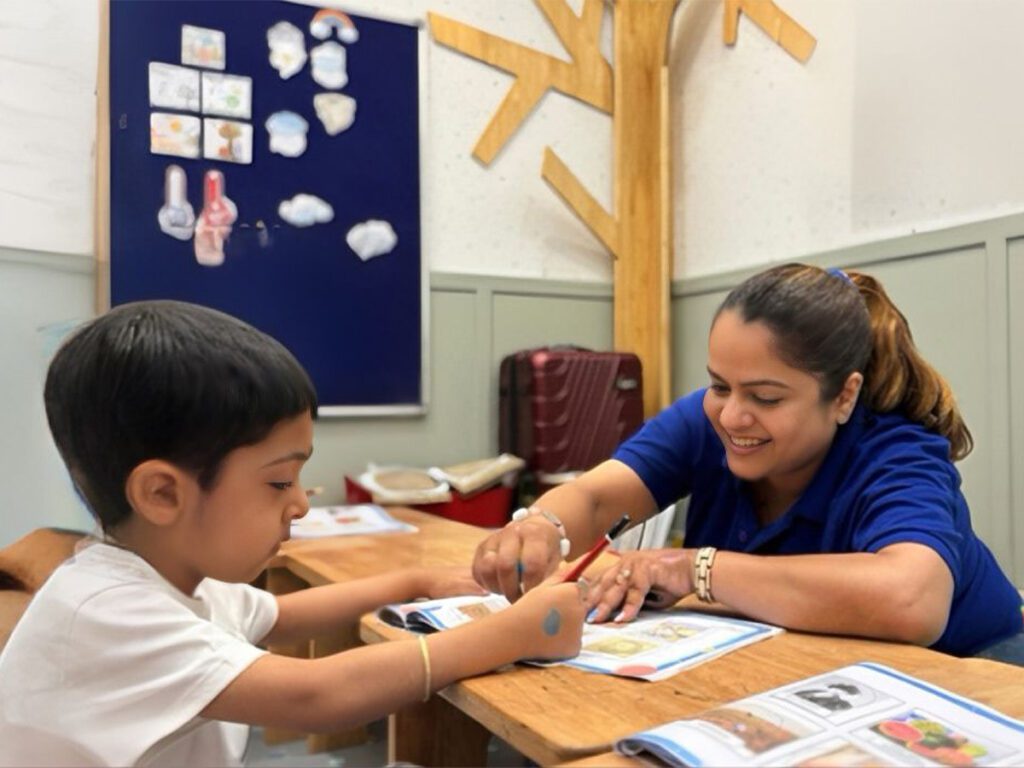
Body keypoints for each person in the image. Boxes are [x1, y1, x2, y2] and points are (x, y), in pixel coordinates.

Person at [0, 300, 586, 767]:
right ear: (162, 494)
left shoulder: (171, 577)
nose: (302, 505)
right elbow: (317, 695)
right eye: (280, 482)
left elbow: (284, 617)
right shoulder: (106, 612)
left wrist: (417, 578)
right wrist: (518, 633)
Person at [473, 263, 1022, 659]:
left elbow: (912, 601)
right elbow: (594, 496)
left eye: (766, 398)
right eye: (719, 385)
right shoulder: (707, 419)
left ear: (845, 397)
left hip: (972, 668)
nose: (732, 417)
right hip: (817, 666)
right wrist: (543, 524)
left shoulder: (898, 452)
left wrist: (693, 568)